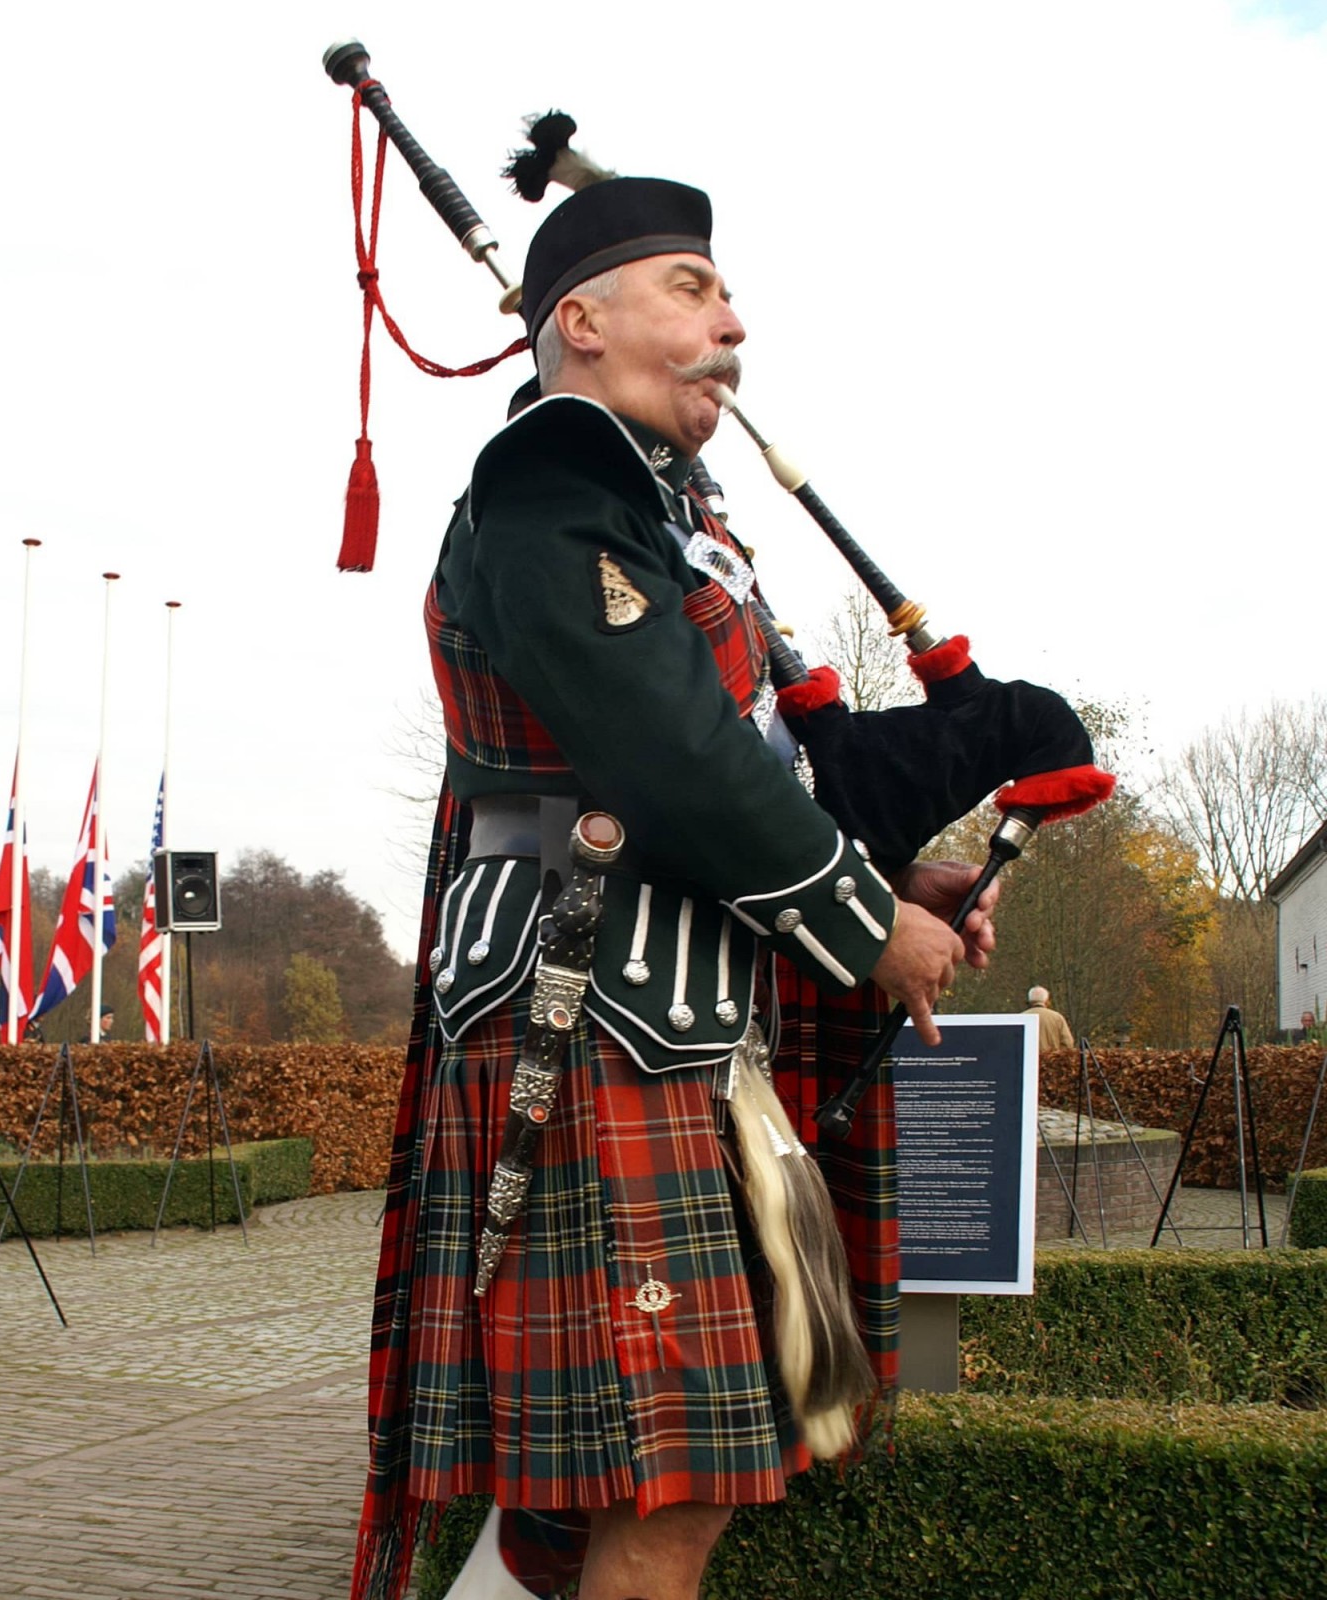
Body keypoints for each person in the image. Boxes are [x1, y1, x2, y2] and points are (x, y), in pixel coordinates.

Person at [352, 174, 997, 1600]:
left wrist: (905, 876)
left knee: (622, 1493)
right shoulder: (550, 485)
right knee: (672, 1480)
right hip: (586, 1014)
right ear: (579, 322)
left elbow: (749, 759)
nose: (732, 322)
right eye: (694, 288)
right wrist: (860, 922)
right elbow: (669, 752)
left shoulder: (658, 508)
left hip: (666, 1015)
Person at [1023, 985, 1075, 1051]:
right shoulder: (1057, 1018)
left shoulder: (1020, 1018)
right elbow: (1068, 1043)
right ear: (1047, 1000)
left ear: (1029, 1000)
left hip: (1026, 1060)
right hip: (1051, 1060)